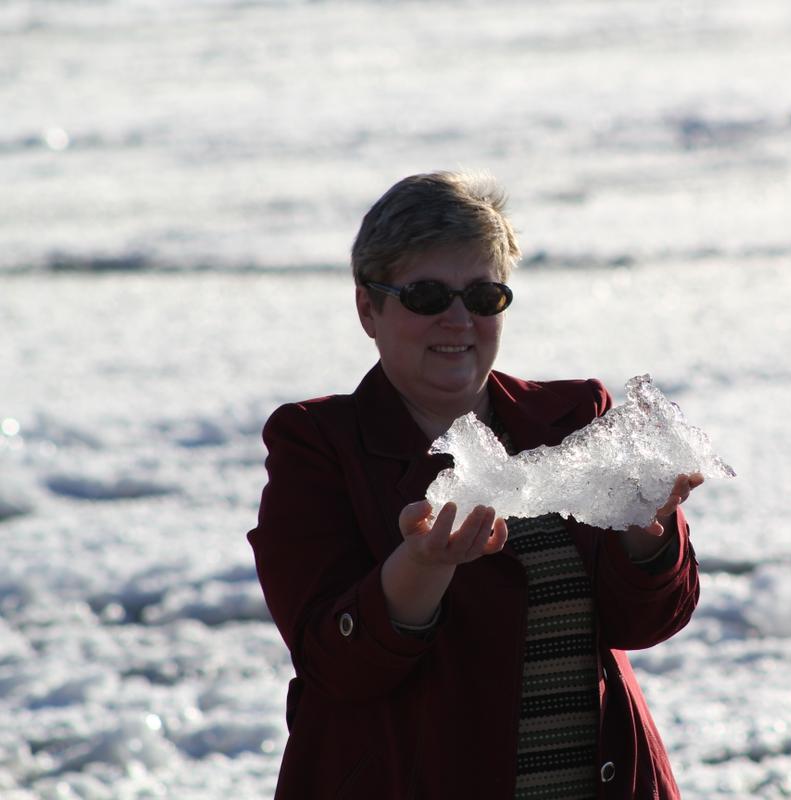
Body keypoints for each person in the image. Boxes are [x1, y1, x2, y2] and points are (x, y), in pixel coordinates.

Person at [248, 171, 704, 799]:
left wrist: (646, 536)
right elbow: (336, 665)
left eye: (484, 296)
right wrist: (421, 568)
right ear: (368, 308)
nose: (459, 319)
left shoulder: (573, 416)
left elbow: (645, 623)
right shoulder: (317, 445)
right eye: (427, 296)